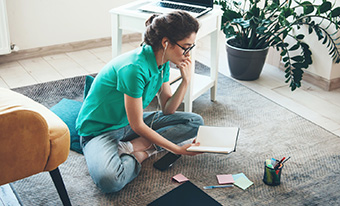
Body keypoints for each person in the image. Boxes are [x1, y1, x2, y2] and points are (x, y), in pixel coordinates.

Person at [76, 11, 203, 193]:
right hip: (100, 130)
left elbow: (168, 109)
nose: (188, 54)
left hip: (127, 122)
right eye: (186, 47)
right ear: (166, 43)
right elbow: (138, 125)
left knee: (195, 122)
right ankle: (142, 153)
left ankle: (133, 147)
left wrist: (186, 81)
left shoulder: (163, 61)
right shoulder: (134, 68)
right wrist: (177, 149)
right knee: (110, 180)